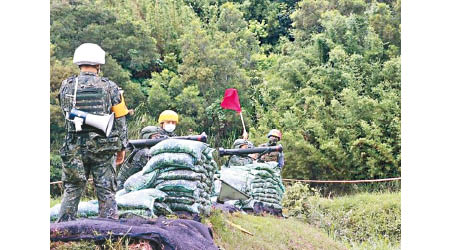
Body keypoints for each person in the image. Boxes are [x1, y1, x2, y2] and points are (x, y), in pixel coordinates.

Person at [57, 43, 128, 222]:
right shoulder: (110, 87)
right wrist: (122, 147)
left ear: (78, 63)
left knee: (72, 188)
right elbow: (120, 120)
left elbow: (66, 115)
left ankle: (62, 234)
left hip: (74, 148)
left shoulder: (66, 86)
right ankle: (110, 234)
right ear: (99, 64)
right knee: (106, 191)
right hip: (103, 147)